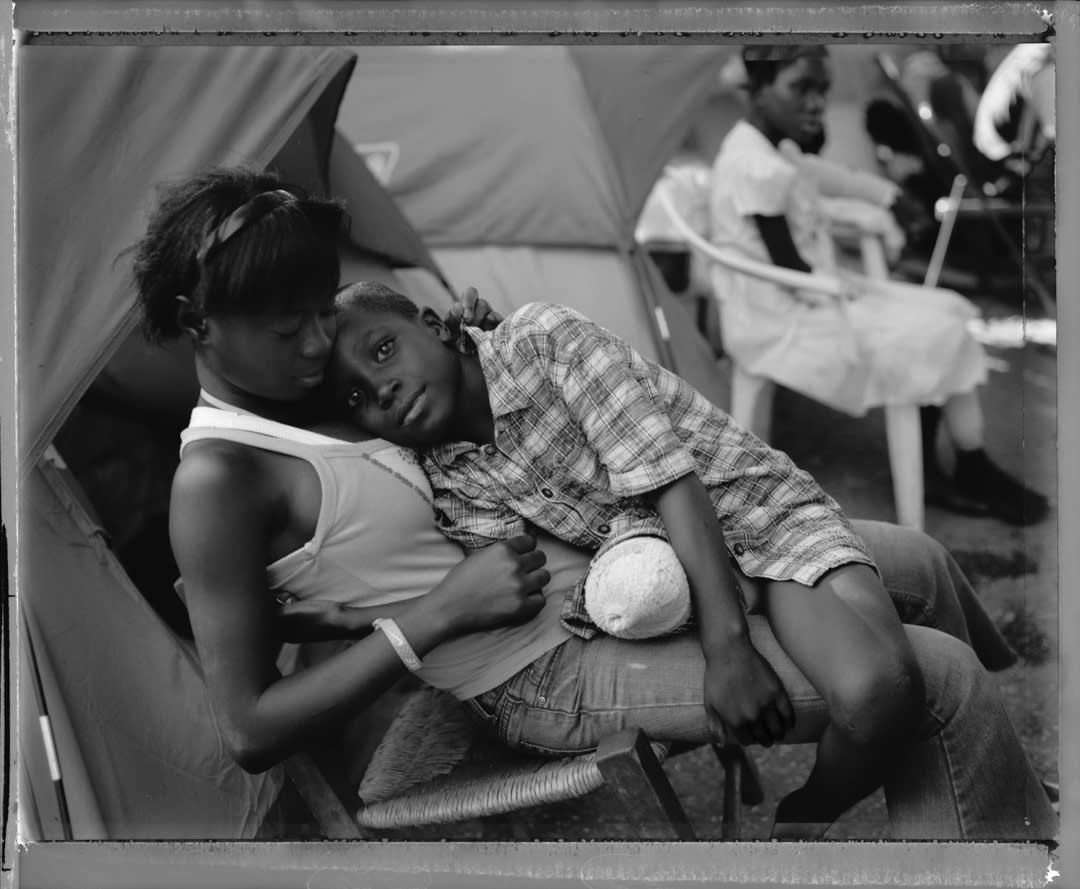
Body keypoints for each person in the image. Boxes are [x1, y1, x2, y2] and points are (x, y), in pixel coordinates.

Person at [132, 166, 1054, 841]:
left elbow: (435, 402)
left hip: (626, 544)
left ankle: (995, 797)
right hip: (551, 656)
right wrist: (428, 616)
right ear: (197, 322)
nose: (313, 344)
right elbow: (248, 727)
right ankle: (964, 824)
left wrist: (477, 343)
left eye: (321, 316)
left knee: (921, 565)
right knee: (929, 681)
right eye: (288, 327)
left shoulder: (316, 381)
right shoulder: (217, 479)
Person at [709, 45, 1049, 526]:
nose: (814, 104)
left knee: (951, 310)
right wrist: (858, 293)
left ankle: (967, 463)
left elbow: (826, 177)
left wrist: (887, 197)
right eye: (800, 89)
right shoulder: (754, 165)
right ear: (759, 89)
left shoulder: (769, 146)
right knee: (929, 330)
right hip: (783, 318)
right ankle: (952, 471)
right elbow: (790, 266)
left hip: (807, 294)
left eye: (821, 91)